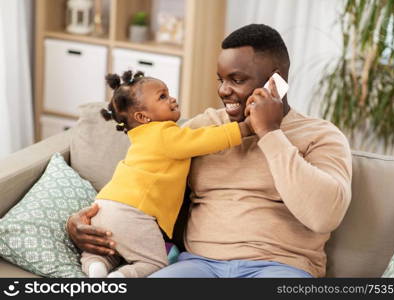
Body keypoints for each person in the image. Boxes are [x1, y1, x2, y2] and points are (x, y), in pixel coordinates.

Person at [67, 24, 352, 278]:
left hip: (280, 267)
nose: (224, 91)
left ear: (275, 81)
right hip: (198, 265)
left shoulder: (320, 135)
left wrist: (270, 132)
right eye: (221, 79)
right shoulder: (203, 129)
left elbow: (324, 216)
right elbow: (141, 180)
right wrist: (87, 221)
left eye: (236, 80)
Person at [80, 70, 252, 278]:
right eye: (162, 96)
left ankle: (95, 266)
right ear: (143, 117)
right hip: (132, 212)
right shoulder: (164, 134)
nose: (172, 98)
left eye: (168, 93)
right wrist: (244, 128)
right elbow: (204, 139)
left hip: (103, 206)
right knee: (154, 262)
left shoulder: (141, 139)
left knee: (112, 250)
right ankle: (122, 277)